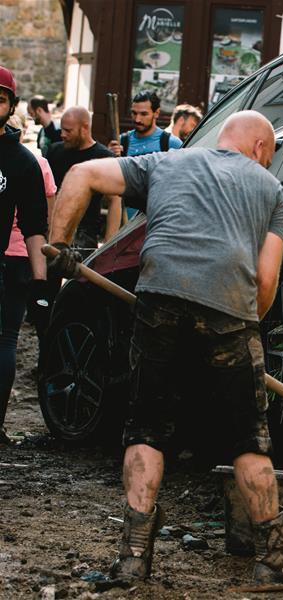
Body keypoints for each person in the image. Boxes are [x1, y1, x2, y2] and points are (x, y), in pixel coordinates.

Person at [47, 110, 283, 585]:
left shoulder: (167, 164)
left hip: (159, 299)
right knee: (248, 438)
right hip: (229, 311)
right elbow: (265, 279)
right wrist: (246, 329)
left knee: (147, 428)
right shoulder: (271, 190)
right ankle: (274, 559)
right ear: (260, 149)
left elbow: (81, 173)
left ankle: (134, 558)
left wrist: (60, 245)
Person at [0, 65, 51, 444]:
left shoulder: (23, 162)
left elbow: (35, 226)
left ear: (11, 105)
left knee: (4, 343)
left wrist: (41, 282)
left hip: (5, 266)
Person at [47, 107, 120, 248]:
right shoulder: (54, 152)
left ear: (85, 128)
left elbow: (114, 201)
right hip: (54, 232)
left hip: (85, 236)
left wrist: (109, 245)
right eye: (62, 129)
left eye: (68, 131)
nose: (62, 134)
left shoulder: (103, 157)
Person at [108, 91, 183, 157]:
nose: (137, 119)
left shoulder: (171, 144)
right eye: (134, 113)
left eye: (144, 114)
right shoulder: (122, 141)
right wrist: (109, 156)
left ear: (156, 113)